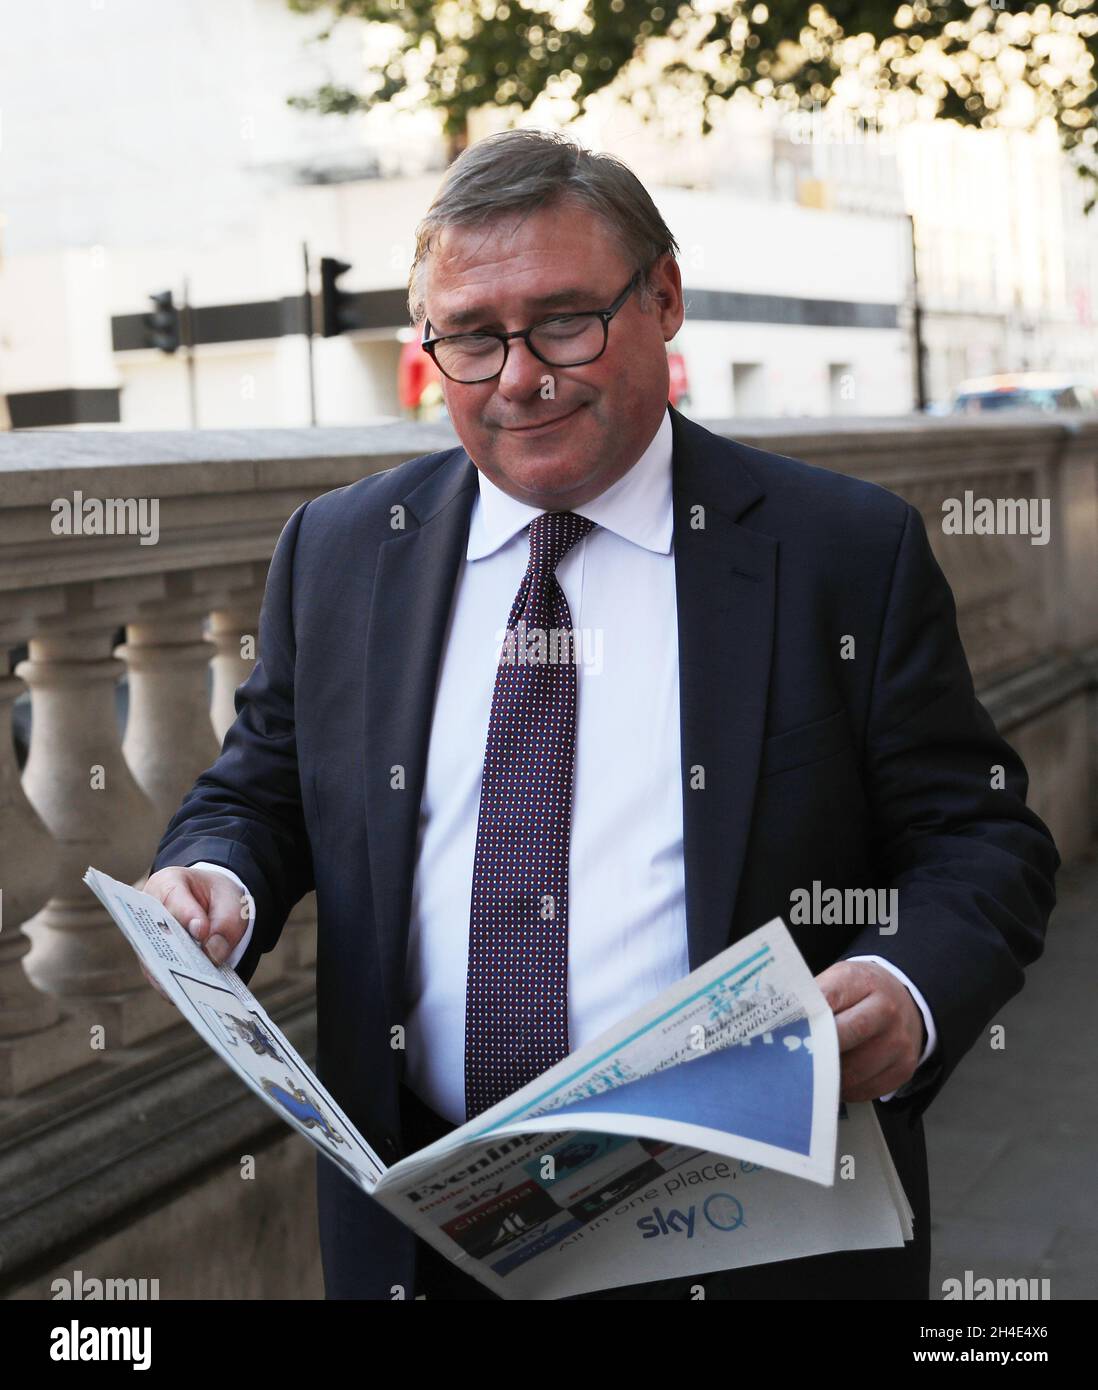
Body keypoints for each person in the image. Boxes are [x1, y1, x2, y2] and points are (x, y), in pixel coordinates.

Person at [144, 129, 1058, 1300]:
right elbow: (264, 787)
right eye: (473, 335)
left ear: (663, 298)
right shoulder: (341, 550)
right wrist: (217, 875)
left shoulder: (841, 550)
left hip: (744, 1233)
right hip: (422, 1238)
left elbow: (979, 837)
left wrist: (912, 986)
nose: (519, 376)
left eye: (565, 320)